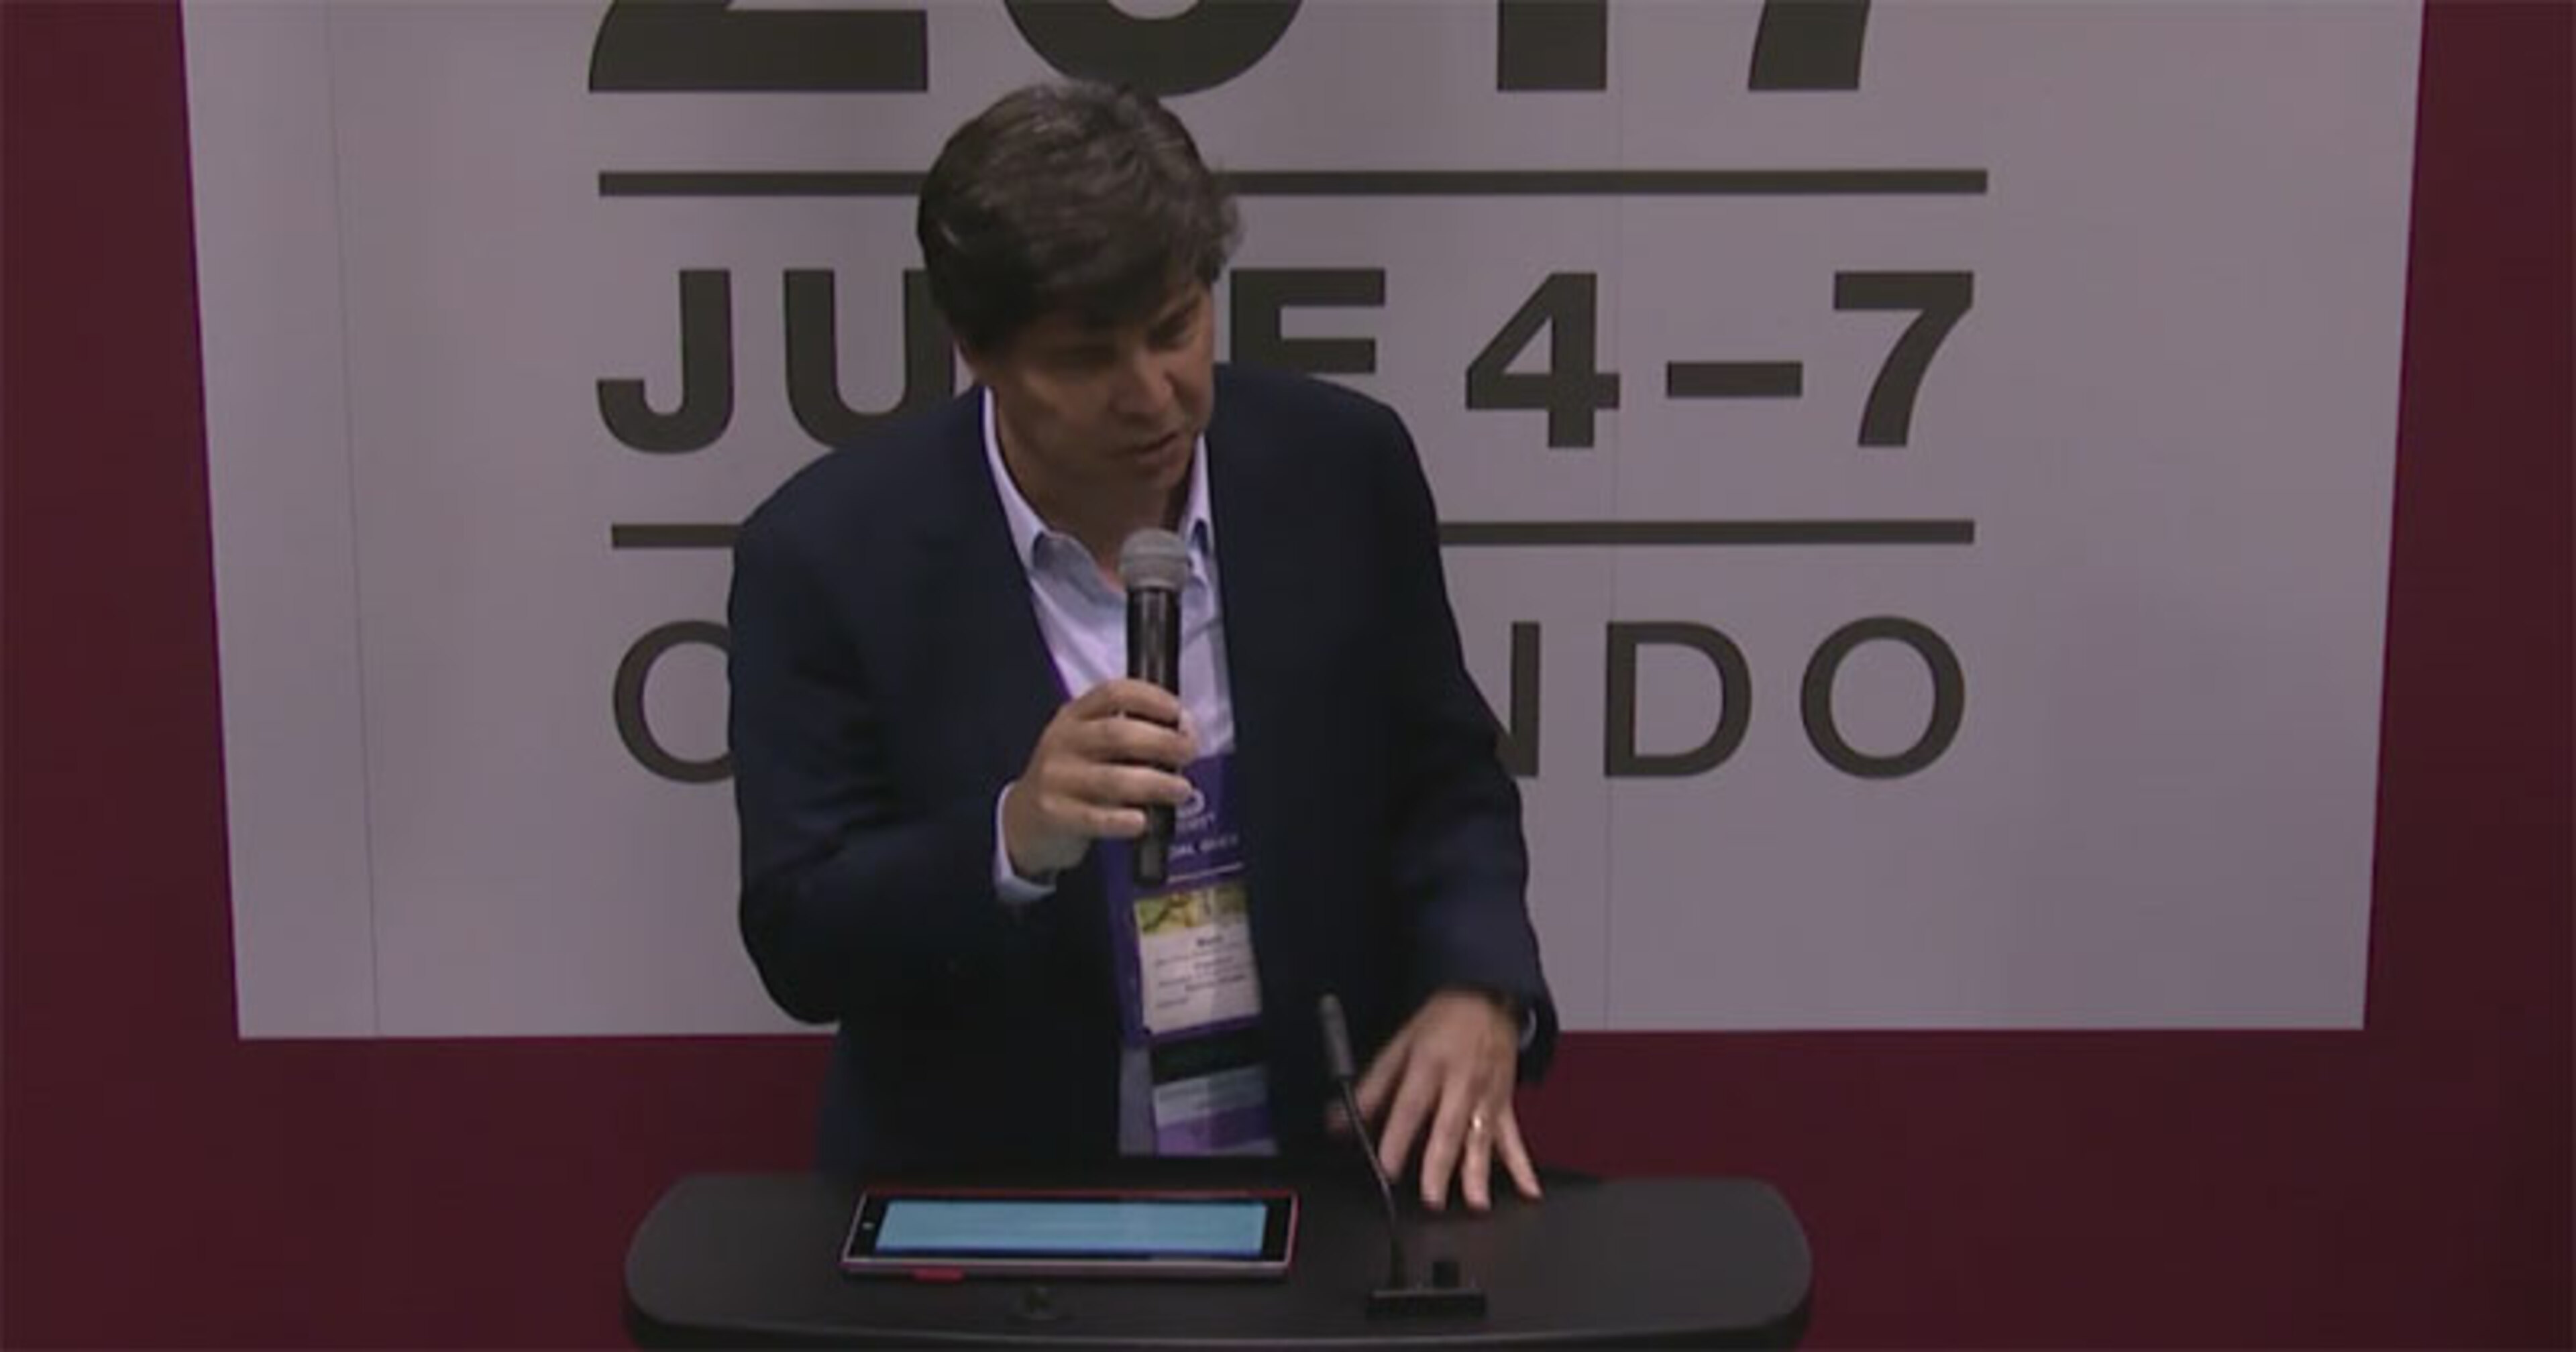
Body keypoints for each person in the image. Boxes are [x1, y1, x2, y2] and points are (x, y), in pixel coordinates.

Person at [727, 80, 1554, 1211]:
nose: (1151, 396)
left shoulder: (1342, 470)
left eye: (1176, 330)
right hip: (998, 1202)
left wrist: (1478, 983)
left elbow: (1447, 779)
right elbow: (800, 936)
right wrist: (1012, 837)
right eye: (1086, 359)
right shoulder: (828, 554)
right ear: (977, 352)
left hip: (1324, 1173)